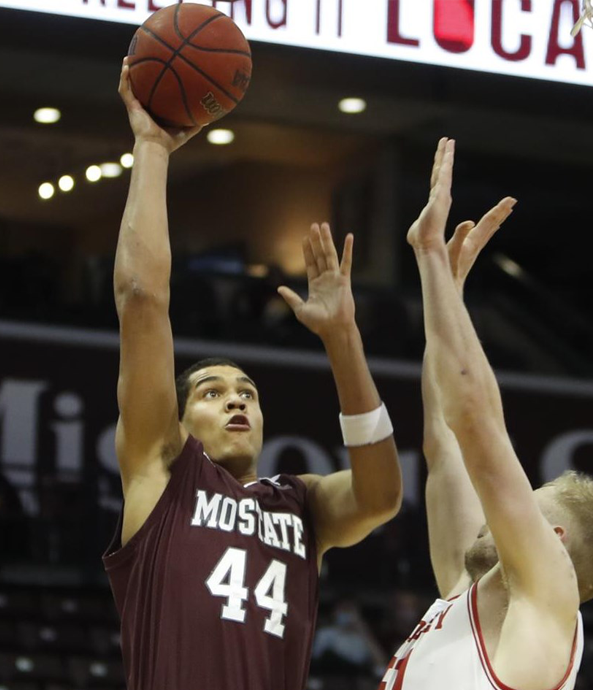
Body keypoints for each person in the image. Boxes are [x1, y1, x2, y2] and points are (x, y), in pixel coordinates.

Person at [104, 58, 402, 690]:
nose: (237, 402)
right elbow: (140, 299)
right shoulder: (163, 472)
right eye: (212, 393)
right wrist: (152, 147)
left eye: (248, 393)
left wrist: (343, 338)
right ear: (179, 421)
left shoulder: (300, 505)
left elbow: (381, 496)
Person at [380, 139, 593, 690]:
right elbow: (446, 439)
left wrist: (428, 253)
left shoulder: (545, 604)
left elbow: (476, 422)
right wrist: (445, 293)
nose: (490, 513)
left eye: (522, 504)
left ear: (553, 538)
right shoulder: (461, 594)